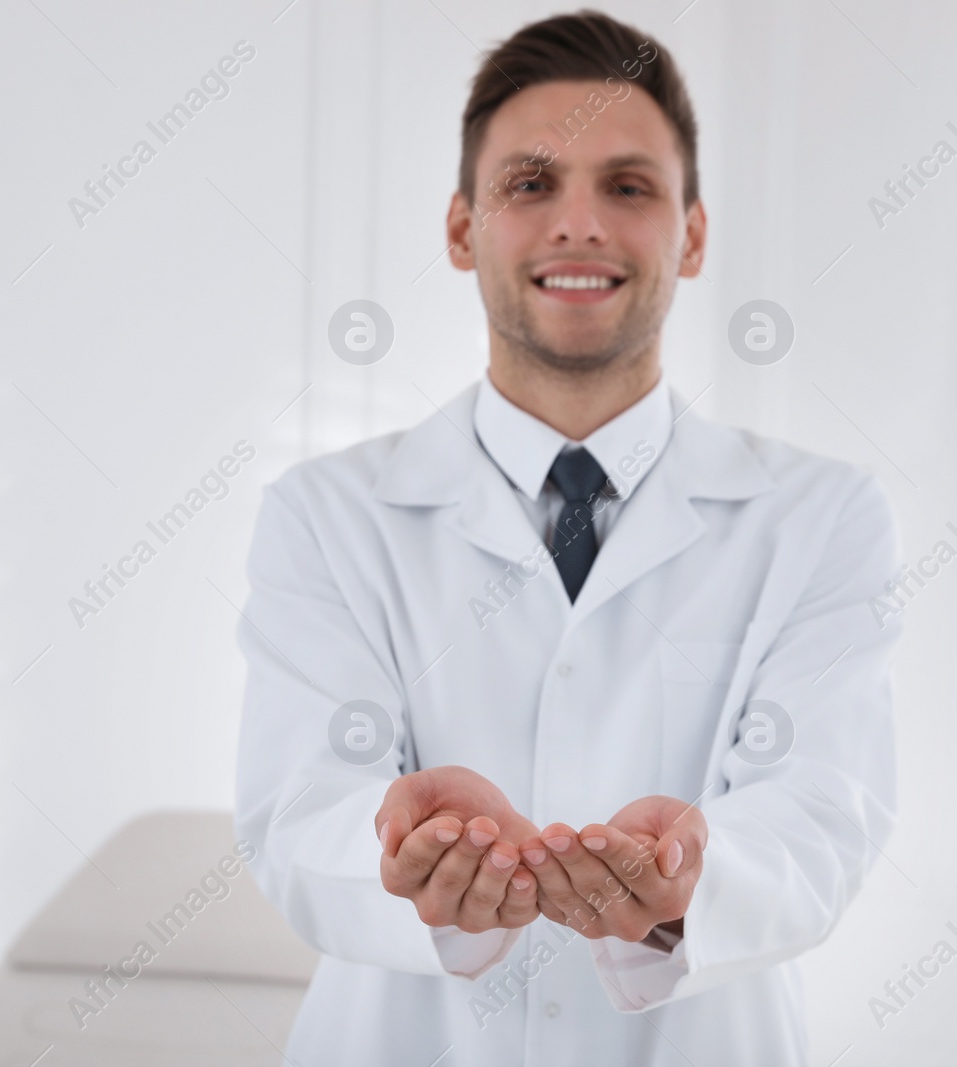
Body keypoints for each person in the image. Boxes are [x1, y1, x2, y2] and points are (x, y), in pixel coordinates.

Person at [234, 10, 902, 1065]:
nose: (578, 224)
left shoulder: (821, 515)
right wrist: (402, 852)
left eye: (628, 186)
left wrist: (693, 878)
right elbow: (298, 811)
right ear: (462, 228)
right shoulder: (324, 514)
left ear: (690, 232)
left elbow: (824, 814)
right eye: (531, 184)